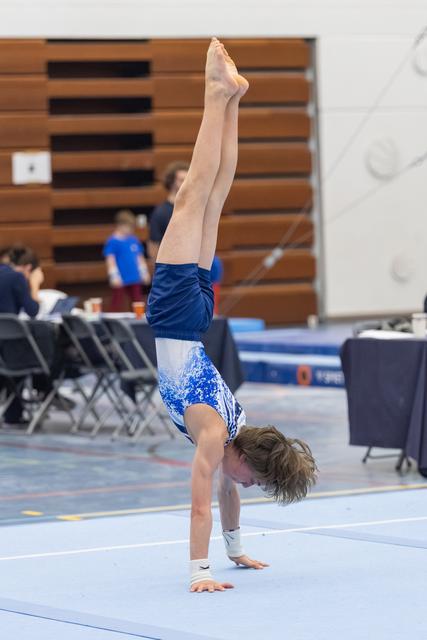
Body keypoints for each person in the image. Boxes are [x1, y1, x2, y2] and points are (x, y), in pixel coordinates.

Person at [146, 39, 317, 593]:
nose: (247, 486)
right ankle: (216, 95)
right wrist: (201, 572)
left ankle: (233, 98)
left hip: (194, 319)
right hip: (177, 319)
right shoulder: (218, 434)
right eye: (256, 481)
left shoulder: (235, 428)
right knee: (195, 195)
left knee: (215, 197)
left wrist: (237, 551)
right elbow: (200, 506)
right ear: (245, 458)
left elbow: (225, 490)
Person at [103, 209, 150, 312]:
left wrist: (144, 271)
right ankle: (112, 321)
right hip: (121, 278)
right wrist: (114, 275)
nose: (131, 230)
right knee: (117, 302)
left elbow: (139, 257)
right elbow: (110, 259)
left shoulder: (133, 240)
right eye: (129, 227)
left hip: (134, 277)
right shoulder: (113, 241)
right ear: (120, 225)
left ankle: (138, 319)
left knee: (137, 301)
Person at [148, 161, 189, 264]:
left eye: (187, 180)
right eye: (181, 180)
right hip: (171, 270)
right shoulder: (160, 213)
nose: (185, 184)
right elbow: (153, 246)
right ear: (171, 182)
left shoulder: (192, 210)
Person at [0, 245, 44, 317]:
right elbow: (33, 311)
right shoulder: (17, 277)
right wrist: (35, 284)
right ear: (28, 268)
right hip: (6, 328)